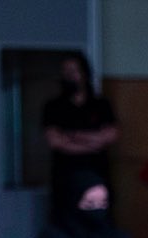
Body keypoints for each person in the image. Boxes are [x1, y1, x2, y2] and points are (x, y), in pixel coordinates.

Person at [41, 53, 119, 196]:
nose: (69, 76)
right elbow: (56, 141)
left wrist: (72, 136)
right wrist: (92, 142)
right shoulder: (53, 107)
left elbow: (109, 136)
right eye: (65, 71)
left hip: (97, 173)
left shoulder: (101, 105)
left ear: (84, 74)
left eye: (73, 71)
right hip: (65, 176)